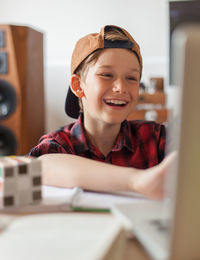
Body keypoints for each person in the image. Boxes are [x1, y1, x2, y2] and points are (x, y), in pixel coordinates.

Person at [29, 25, 174, 200]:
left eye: (131, 78)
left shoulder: (156, 137)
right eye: (106, 75)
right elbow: (42, 166)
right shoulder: (59, 145)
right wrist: (137, 181)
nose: (121, 87)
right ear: (78, 85)